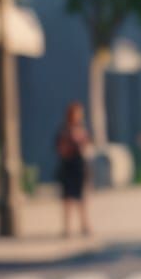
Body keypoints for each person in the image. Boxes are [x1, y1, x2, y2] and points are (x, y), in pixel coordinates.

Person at [54, 101, 92, 237]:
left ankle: (84, 224)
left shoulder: (82, 129)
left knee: (82, 197)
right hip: (68, 165)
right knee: (68, 198)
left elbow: (87, 145)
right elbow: (60, 149)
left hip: (80, 165)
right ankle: (67, 227)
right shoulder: (64, 130)